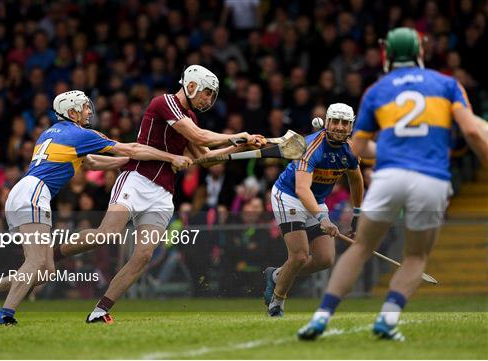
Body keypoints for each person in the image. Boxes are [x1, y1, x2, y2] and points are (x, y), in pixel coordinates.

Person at [298, 27, 488, 341]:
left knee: (360, 249)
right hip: (432, 179)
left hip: (388, 176)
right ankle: (387, 318)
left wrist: (385, 150)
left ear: (387, 56)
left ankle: (320, 318)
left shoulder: (376, 91)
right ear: (420, 53)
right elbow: (471, 133)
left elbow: (356, 151)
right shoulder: (447, 85)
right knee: (415, 257)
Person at [54, 65, 265, 323]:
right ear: (191, 86)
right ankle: (53, 253)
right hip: (136, 179)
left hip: (163, 194)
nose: (208, 99)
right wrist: (236, 137)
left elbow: (206, 158)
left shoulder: (192, 120)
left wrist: (240, 148)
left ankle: (101, 310)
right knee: (105, 234)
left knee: (143, 255)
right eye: (206, 93)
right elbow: (200, 137)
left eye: (212, 96)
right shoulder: (165, 102)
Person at [0, 90, 193, 326]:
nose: (89, 111)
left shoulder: (51, 133)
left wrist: (128, 163)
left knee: (46, 270)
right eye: (85, 107)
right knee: (36, 263)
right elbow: (133, 149)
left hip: (25, 192)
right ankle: (4, 316)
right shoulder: (80, 134)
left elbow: (92, 162)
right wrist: (170, 158)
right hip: (34, 194)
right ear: (72, 112)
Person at [263, 103, 364, 317]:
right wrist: (323, 217)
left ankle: (277, 275)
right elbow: (301, 189)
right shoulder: (311, 147)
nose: (339, 127)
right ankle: (277, 303)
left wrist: (357, 214)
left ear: (351, 126)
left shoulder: (352, 150)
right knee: (299, 256)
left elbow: (356, 181)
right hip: (289, 196)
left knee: (325, 259)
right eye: (334, 121)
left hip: (315, 200)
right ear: (326, 122)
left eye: (344, 123)